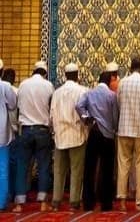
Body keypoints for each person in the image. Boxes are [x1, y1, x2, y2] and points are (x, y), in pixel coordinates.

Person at [13, 60, 54, 212]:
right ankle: (43, 203)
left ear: (34, 71)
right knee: (43, 166)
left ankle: (19, 204)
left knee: (22, 166)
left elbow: (17, 106)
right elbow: (51, 108)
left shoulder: (23, 85)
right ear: (44, 73)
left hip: (25, 129)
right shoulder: (48, 85)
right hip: (42, 130)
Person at [76, 71, 119, 211]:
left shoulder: (89, 93)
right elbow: (114, 116)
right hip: (107, 135)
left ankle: (88, 202)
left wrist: (87, 118)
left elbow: (78, 106)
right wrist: (113, 128)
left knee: (90, 168)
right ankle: (106, 203)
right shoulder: (112, 96)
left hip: (94, 132)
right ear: (109, 81)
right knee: (107, 169)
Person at [116, 56, 140, 210]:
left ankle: (123, 201)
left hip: (124, 129)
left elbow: (118, 103)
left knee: (123, 165)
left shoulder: (122, 83)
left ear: (131, 68)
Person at [50, 62, 88, 211]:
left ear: (65, 75)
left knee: (59, 171)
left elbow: (52, 116)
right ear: (77, 75)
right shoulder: (82, 91)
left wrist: (54, 132)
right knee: (76, 170)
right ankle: (74, 202)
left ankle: (56, 202)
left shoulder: (57, 92)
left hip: (60, 137)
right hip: (77, 136)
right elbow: (85, 114)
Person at [0, 60, 16, 211]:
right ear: (2, 71)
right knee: (3, 170)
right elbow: (12, 104)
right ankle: (1, 203)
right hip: (2, 135)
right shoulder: (5, 86)